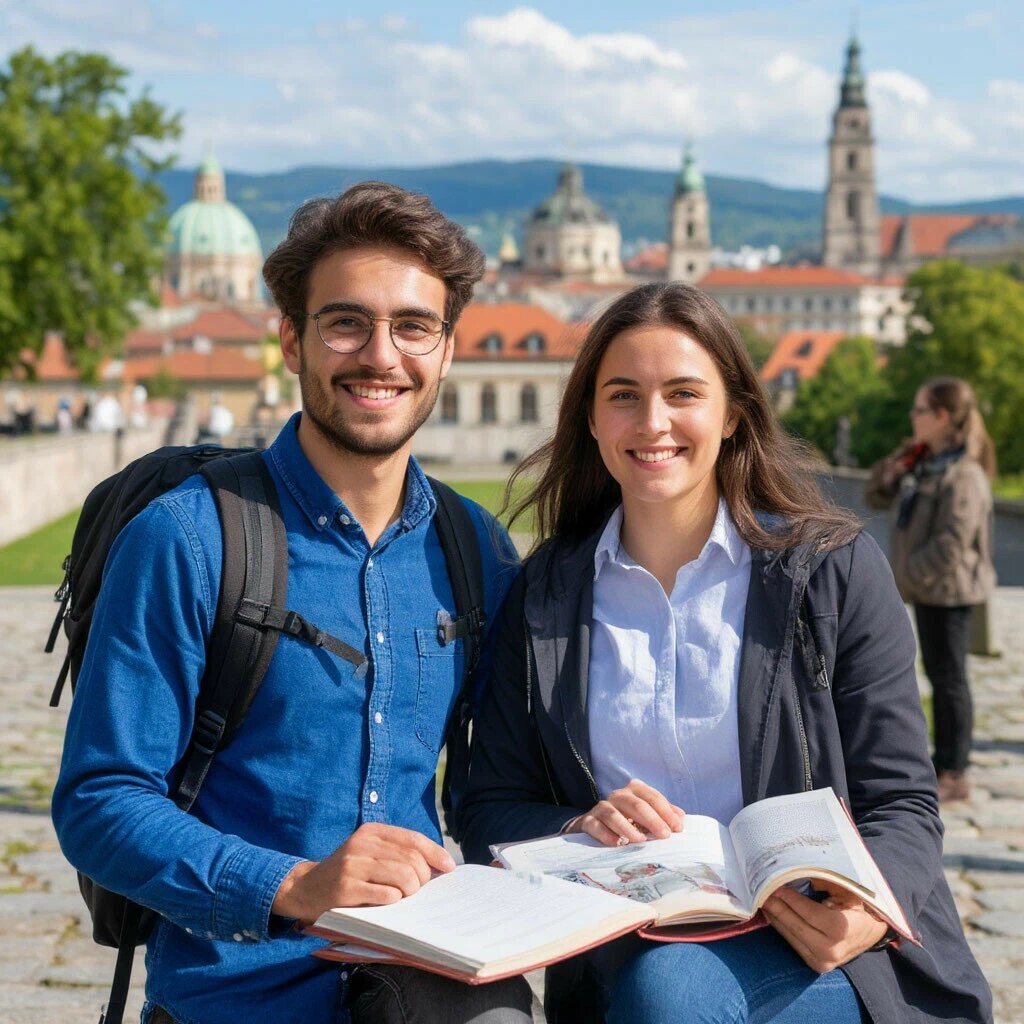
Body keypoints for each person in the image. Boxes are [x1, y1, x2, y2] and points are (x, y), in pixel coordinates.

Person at [52, 182, 532, 1024]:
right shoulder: (189, 538)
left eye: (413, 326)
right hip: (236, 992)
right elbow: (100, 803)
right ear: (290, 340)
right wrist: (296, 884)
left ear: (447, 350)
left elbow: (494, 792)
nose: (381, 356)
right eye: (347, 322)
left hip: (417, 978)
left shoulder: (477, 549)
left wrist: (596, 843)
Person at [461, 283, 991, 1024]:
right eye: (623, 395)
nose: (653, 422)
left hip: (829, 949)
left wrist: (871, 904)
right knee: (663, 987)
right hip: (627, 944)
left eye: (684, 393)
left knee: (671, 995)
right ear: (590, 417)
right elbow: (486, 806)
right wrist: (581, 828)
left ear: (733, 413)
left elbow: (902, 801)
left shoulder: (834, 572)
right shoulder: (546, 591)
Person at [866, 378, 996, 803]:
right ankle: (943, 763)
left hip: (950, 590)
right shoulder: (923, 463)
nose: (912, 417)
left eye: (920, 410)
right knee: (938, 675)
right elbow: (875, 496)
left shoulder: (964, 472)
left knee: (950, 679)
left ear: (941, 417)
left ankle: (954, 770)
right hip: (927, 589)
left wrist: (905, 579)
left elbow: (951, 544)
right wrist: (893, 469)